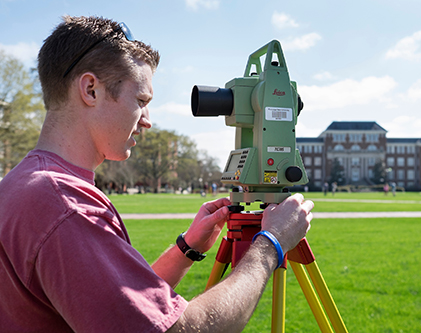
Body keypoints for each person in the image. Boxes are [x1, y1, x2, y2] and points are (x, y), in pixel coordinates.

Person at [0, 16, 314, 332]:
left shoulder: (22, 185)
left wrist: (186, 248)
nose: (147, 120)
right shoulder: (66, 206)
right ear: (91, 89)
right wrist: (271, 243)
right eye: (141, 100)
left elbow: (122, 311)